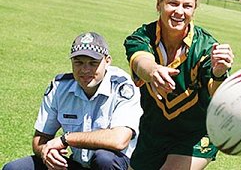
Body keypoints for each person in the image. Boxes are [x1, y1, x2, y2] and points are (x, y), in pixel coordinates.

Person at [123, 0, 234, 169]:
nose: (179, 11)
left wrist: (219, 73)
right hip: (153, 131)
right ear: (159, 3)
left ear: (195, 9)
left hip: (196, 134)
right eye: (173, 3)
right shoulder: (142, 36)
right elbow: (141, 61)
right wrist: (154, 70)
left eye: (187, 5)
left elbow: (219, 95)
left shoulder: (207, 47)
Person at [3, 32, 143, 170]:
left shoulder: (123, 87)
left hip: (119, 164)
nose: (85, 70)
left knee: (104, 159)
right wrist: (47, 152)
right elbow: (40, 138)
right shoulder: (60, 87)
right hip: (78, 164)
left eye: (93, 63)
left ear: (107, 61)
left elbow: (119, 140)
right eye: (78, 62)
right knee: (14, 168)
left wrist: (66, 139)